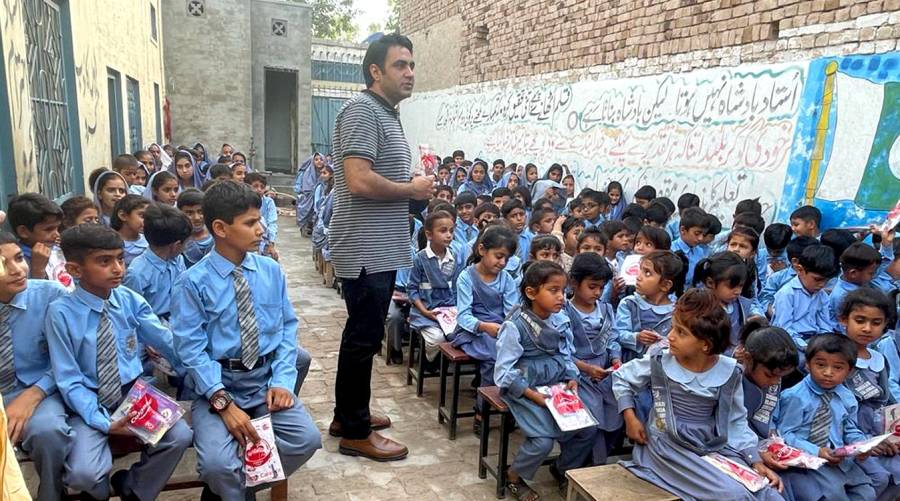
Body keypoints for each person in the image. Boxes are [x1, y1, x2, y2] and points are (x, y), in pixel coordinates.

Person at [170, 181, 320, 498]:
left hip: (264, 381)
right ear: (221, 228)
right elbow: (192, 351)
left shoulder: (270, 271)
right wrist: (222, 403)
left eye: (259, 220)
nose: (261, 228)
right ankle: (232, 488)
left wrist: (281, 379)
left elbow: (286, 328)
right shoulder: (192, 283)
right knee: (215, 466)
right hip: (218, 385)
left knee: (306, 440)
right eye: (251, 222)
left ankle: (237, 488)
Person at [328, 34, 434, 460]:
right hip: (364, 246)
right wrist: (411, 187)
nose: (409, 73)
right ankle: (354, 432)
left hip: (381, 244)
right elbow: (358, 179)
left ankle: (347, 413)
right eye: (400, 65)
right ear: (375, 71)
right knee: (363, 337)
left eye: (411, 65)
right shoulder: (361, 111)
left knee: (361, 334)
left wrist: (413, 191)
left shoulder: (385, 114)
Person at [46, 223, 192, 500]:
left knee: (179, 436)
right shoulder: (60, 314)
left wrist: (194, 368)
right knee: (84, 475)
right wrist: (102, 422)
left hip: (132, 394)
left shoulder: (127, 299)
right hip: (88, 401)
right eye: (104, 261)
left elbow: (166, 340)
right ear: (75, 270)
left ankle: (134, 488)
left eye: (120, 259)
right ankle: (98, 493)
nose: (117, 269)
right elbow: (68, 377)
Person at [613, 288, 784, 500]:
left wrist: (753, 459)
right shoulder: (660, 362)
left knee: (767, 492)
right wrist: (630, 418)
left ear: (705, 344)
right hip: (668, 447)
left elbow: (735, 421)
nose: (670, 337)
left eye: (681, 332)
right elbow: (621, 378)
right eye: (673, 328)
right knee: (734, 494)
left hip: (712, 444)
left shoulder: (730, 371)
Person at [495, 261, 594, 499]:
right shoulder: (515, 325)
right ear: (531, 292)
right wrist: (531, 394)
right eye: (553, 290)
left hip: (555, 384)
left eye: (563, 290)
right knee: (542, 442)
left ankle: (560, 468)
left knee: (587, 430)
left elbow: (564, 353)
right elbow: (503, 373)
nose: (561, 297)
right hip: (524, 388)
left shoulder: (559, 318)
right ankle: (514, 476)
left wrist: (572, 376)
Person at [0, 231, 72, 501]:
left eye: (19, 258)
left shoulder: (51, 295)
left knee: (48, 431)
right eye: (3, 263)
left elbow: (72, 359)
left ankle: (52, 494)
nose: (17, 269)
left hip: (42, 388)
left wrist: (34, 394)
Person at [775, 334, 876, 500]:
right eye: (820, 365)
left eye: (838, 368)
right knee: (835, 494)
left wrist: (860, 444)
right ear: (807, 365)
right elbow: (785, 435)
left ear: (849, 371)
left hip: (839, 458)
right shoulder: (795, 396)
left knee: (867, 492)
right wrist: (817, 451)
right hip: (809, 458)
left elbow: (849, 427)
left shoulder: (846, 397)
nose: (828, 373)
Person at [837, 288, 900, 499]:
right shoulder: (835, 359)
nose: (867, 328)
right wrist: (869, 442)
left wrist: (892, 434)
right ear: (844, 319)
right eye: (860, 320)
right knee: (879, 477)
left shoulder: (878, 358)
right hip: (849, 432)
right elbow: (837, 409)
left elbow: (888, 400)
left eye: (876, 323)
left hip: (879, 428)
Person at [564, 253, 622, 465]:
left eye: (602, 287)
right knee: (590, 421)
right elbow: (562, 351)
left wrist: (615, 359)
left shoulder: (606, 309)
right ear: (574, 283)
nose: (597, 292)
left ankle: (595, 462)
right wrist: (586, 369)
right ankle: (575, 466)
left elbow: (613, 338)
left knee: (619, 412)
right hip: (574, 373)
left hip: (603, 373)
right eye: (592, 286)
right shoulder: (564, 312)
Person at [453, 225, 520, 407]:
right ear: (482, 249)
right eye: (499, 256)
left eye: (507, 258)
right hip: (472, 331)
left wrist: (507, 329)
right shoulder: (466, 277)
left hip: (499, 330)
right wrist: (483, 326)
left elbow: (511, 312)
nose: (502, 263)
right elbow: (463, 315)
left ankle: (511, 403)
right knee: (494, 356)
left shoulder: (506, 278)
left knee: (519, 354)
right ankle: (482, 409)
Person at [407, 210, 463, 362]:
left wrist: (457, 311)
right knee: (437, 338)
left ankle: (438, 361)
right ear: (429, 234)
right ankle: (429, 359)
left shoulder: (455, 258)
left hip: (449, 311)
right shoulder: (420, 259)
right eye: (443, 231)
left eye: (451, 231)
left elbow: (458, 288)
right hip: (426, 310)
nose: (449, 235)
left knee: (459, 336)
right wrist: (425, 311)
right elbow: (412, 289)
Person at [615, 250, 682, 362]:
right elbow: (617, 334)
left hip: (661, 369)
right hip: (630, 367)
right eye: (640, 270)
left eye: (647, 273)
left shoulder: (677, 312)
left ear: (666, 285)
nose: (638, 277)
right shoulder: (629, 304)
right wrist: (637, 337)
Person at [695, 251, 765, 355]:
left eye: (741, 286)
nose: (738, 291)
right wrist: (731, 353)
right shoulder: (700, 309)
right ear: (710, 283)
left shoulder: (740, 304)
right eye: (732, 286)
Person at [772, 245, 838, 353]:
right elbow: (784, 329)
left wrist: (823, 343)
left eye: (826, 281)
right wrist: (805, 347)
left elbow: (825, 325)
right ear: (799, 269)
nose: (822, 285)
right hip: (789, 344)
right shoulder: (787, 294)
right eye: (817, 279)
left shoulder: (822, 296)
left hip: (815, 342)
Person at [7, 193, 62, 280]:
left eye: (57, 228)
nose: (57, 234)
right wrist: (38, 270)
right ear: (23, 232)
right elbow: (27, 292)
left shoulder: (55, 248)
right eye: (49, 229)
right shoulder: (19, 262)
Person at [829, 243, 881, 332]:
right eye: (871, 273)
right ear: (853, 273)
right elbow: (846, 328)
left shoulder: (860, 281)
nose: (873, 276)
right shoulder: (841, 297)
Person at [759, 236, 818, 313]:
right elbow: (765, 299)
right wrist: (773, 313)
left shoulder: (819, 278)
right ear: (795, 261)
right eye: (813, 260)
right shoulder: (777, 278)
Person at [671, 206, 709, 288]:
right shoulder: (670, 250)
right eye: (697, 233)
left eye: (703, 235)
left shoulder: (700, 252)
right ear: (683, 230)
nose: (701, 238)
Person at [245, 173, 280, 260]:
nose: (259, 189)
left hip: (264, 240)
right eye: (255, 186)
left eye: (262, 187)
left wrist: (271, 244)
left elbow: (272, 223)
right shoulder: (243, 201)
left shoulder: (268, 202)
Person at [177, 189, 214, 268]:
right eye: (189, 213)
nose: (196, 218)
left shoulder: (217, 235)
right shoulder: (177, 240)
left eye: (200, 212)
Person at [110, 195, 150, 267]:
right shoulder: (111, 243)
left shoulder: (149, 241)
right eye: (142, 215)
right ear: (123, 216)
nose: (147, 220)